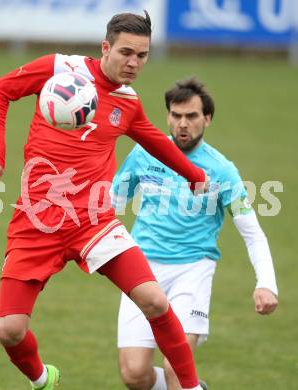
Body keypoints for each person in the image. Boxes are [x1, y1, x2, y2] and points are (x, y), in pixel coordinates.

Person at [0, 11, 209, 390]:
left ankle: (189, 386)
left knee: (154, 300)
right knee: (10, 330)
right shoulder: (58, 69)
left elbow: (153, 140)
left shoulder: (127, 103)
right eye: (126, 52)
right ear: (105, 47)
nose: (134, 63)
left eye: (143, 55)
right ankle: (42, 379)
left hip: (94, 222)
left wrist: (195, 175)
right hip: (37, 222)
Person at [111, 77, 279, 390]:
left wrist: (266, 283)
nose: (182, 124)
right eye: (176, 116)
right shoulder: (144, 154)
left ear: (207, 119)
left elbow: (252, 232)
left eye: (191, 116)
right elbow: (110, 206)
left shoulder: (222, 171)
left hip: (192, 270)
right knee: (134, 374)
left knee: (175, 365)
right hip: (141, 270)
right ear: (168, 116)